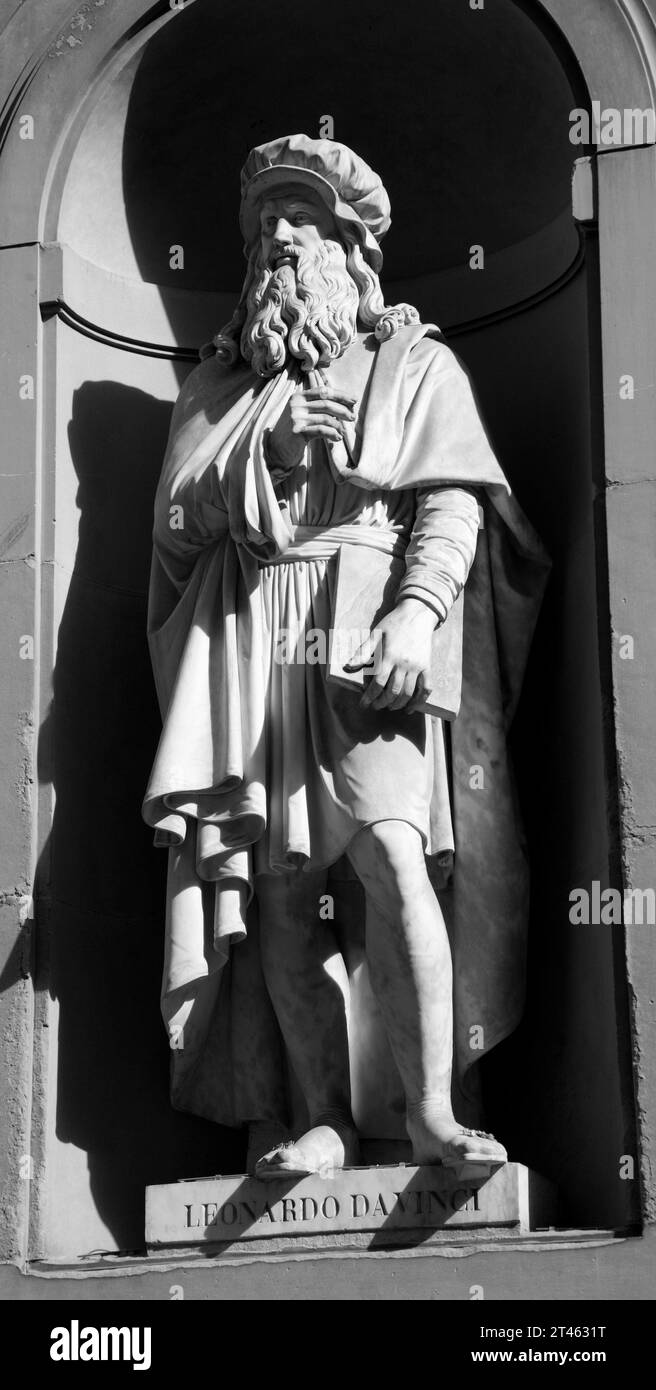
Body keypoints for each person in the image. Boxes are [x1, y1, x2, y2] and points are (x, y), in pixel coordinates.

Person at [143, 134, 549, 1179]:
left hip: (369, 622)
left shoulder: (413, 362)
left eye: (303, 225)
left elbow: (452, 498)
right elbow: (176, 527)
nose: (280, 239)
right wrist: (259, 456)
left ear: (349, 251)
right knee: (282, 883)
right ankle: (317, 1116)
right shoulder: (221, 386)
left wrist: (418, 612)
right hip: (254, 637)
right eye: (267, 229)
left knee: (388, 853)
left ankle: (428, 1111)